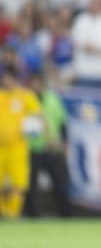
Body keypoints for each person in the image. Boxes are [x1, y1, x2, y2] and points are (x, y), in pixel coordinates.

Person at [25, 73, 71, 217]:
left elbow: (62, 121)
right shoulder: (24, 99)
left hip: (53, 148)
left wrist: (64, 142)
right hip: (33, 148)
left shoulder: (52, 98)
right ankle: (32, 217)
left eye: (38, 82)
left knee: (60, 184)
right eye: (34, 82)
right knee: (31, 186)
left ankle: (66, 216)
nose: (36, 85)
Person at [0, 65, 42, 218]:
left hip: (18, 146)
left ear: (15, 79)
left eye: (9, 78)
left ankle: (13, 214)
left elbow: (38, 115)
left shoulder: (24, 96)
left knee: (19, 183)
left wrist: (34, 127)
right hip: (0, 147)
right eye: (4, 78)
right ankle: (2, 212)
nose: (6, 81)